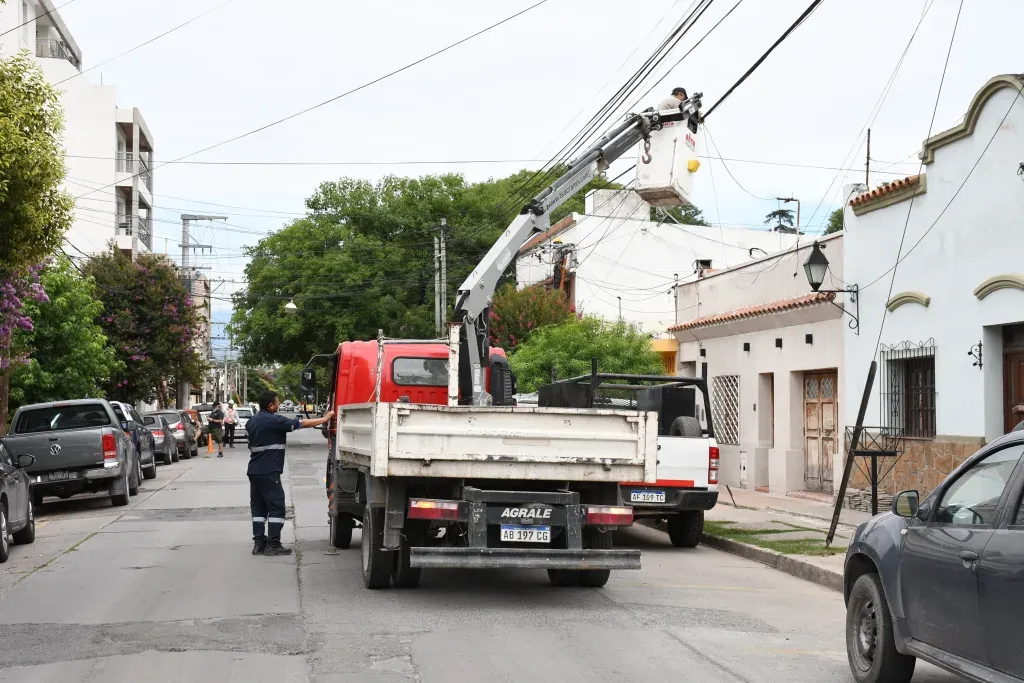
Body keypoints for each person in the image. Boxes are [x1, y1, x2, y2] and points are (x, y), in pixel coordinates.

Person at [247, 389, 334, 556]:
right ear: (271, 405)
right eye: (277, 402)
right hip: (269, 471)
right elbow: (300, 424)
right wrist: (324, 419)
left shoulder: (252, 422)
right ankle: (273, 544)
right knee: (276, 507)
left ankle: (258, 544)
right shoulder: (274, 420)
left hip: (254, 471)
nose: (279, 404)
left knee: (258, 508)